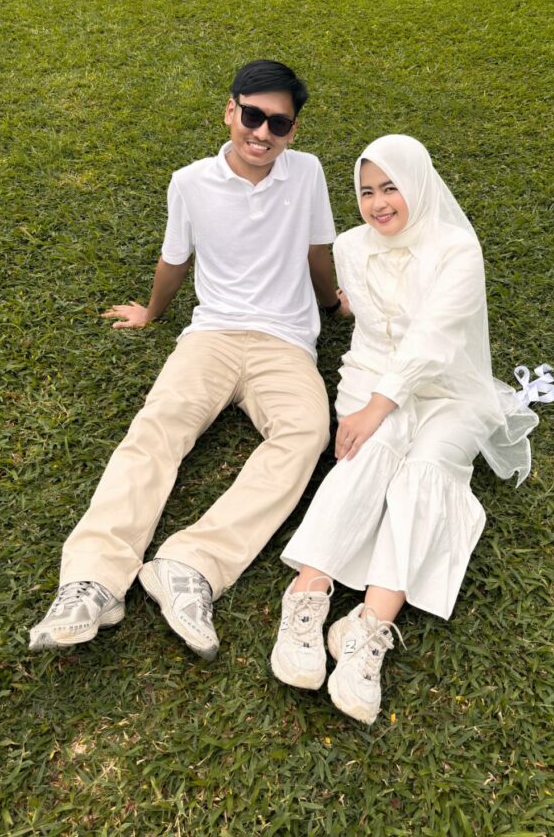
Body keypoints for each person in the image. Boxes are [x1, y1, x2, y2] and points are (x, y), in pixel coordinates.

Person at [30, 59, 345, 660]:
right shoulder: (190, 182)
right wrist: (152, 312)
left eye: (278, 124)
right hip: (212, 336)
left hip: (285, 343)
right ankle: (92, 579)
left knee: (307, 434)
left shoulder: (306, 173)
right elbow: (175, 258)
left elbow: (317, 251)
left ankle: (190, 566)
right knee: (157, 428)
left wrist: (331, 304)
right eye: (252, 115)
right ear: (230, 110)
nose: (262, 132)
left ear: (293, 131)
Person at [269, 135, 554, 724]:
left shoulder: (457, 248)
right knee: (369, 454)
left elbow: (433, 339)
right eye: (366, 191)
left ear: (419, 185)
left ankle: (368, 628)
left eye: (391, 187)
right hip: (370, 373)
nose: (378, 203)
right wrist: (372, 402)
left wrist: (378, 407)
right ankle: (306, 595)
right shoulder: (350, 246)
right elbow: (370, 316)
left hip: (450, 388)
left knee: (426, 470)